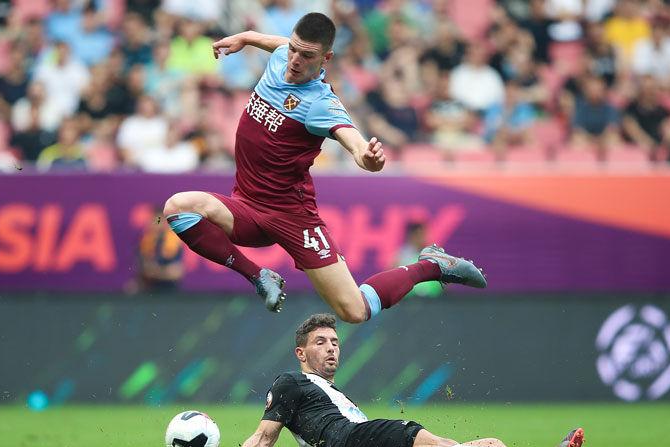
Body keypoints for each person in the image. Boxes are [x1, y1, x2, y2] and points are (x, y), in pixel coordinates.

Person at [163, 13, 486, 324]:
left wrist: (369, 160)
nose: (294, 60)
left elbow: (355, 144)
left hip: (291, 216)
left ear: (325, 59)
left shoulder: (321, 103)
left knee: (354, 311)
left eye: (306, 55)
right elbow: (275, 43)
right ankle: (259, 275)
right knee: (178, 208)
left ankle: (431, 265)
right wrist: (245, 38)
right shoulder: (280, 56)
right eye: (293, 49)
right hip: (246, 206)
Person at [199, 313, 585, 447]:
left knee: (490, 446)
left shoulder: (330, 396)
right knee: (431, 443)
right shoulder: (291, 382)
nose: (332, 349)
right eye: (320, 343)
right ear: (301, 354)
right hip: (356, 442)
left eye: (335, 342)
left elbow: (310, 446)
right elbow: (264, 437)